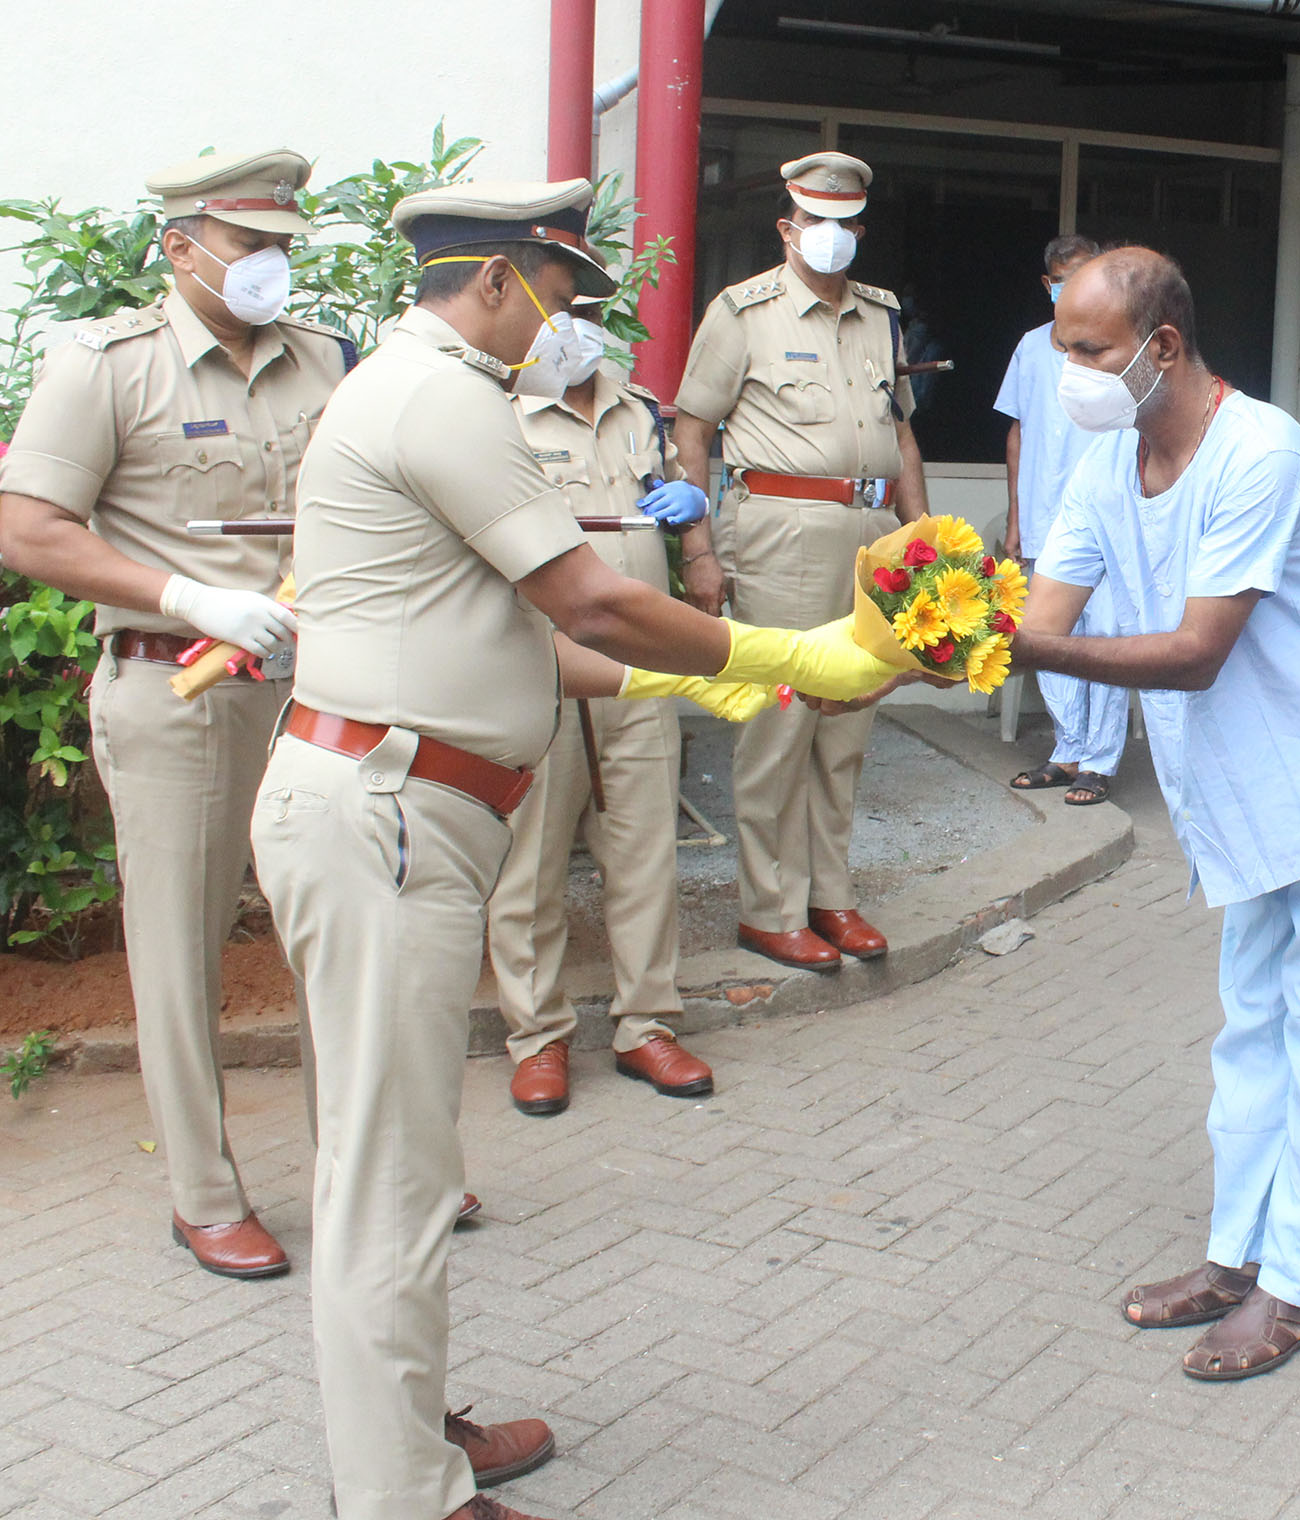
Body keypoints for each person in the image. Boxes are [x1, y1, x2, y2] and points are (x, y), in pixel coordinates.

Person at [248, 177, 913, 1520]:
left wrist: (736, 688)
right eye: (555, 298)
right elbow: (594, 599)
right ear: (492, 280)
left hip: (404, 804)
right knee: (387, 1175)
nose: (564, 330)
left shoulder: (415, 389)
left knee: (411, 1159)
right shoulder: (440, 398)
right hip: (390, 812)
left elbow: (534, 648)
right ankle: (405, 1498)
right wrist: (791, 650)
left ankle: (415, 1437)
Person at [1014, 247, 1300, 1382]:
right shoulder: (1109, 465)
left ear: (1162, 347)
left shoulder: (1261, 451)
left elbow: (1197, 653)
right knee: (1252, 1036)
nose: (1070, 374)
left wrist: (1012, 641)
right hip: (1250, 796)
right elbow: (1044, 605)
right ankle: (1234, 1257)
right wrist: (950, 624)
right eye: (1061, 349)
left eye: (1088, 350)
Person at [0, 149, 350, 1282]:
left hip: (312, 684)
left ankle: (361, 1164)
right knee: (180, 950)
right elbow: (30, 528)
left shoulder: (327, 362)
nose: (274, 267)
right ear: (182, 246)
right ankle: (205, 1191)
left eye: (287, 246)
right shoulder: (107, 365)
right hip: (176, 690)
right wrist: (188, 594)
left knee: (336, 935)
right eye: (254, 246)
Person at [672, 150, 930, 973]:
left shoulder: (883, 315)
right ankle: (769, 908)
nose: (833, 236)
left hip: (868, 532)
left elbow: (902, 436)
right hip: (780, 531)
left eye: (846, 223)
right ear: (787, 227)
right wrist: (700, 548)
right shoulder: (742, 313)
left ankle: (831, 896)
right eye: (817, 222)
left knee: (847, 723)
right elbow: (691, 430)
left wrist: (920, 541)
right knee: (780, 722)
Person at [489, 298, 714, 1118]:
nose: (575, 327)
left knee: (647, 848)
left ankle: (646, 1023)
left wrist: (691, 502)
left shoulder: (632, 405)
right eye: (561, 311)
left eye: (588, 311)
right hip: (543, 666)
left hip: (641, 664)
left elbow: (663, 488)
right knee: (531, 859)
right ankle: (537, 1035)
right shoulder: (496, 413)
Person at [996, 233, 1127, 807]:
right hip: (1046, 517)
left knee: (1106, 638)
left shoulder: (1116, 346)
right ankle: (1066, 750)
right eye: (1056, 280)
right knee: (1049, 638)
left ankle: (1100, 761)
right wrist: (1016, 521)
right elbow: (1018, 432)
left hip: (1109, 517)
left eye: (1076, 276)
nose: (1063, 288)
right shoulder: (1029, 348)